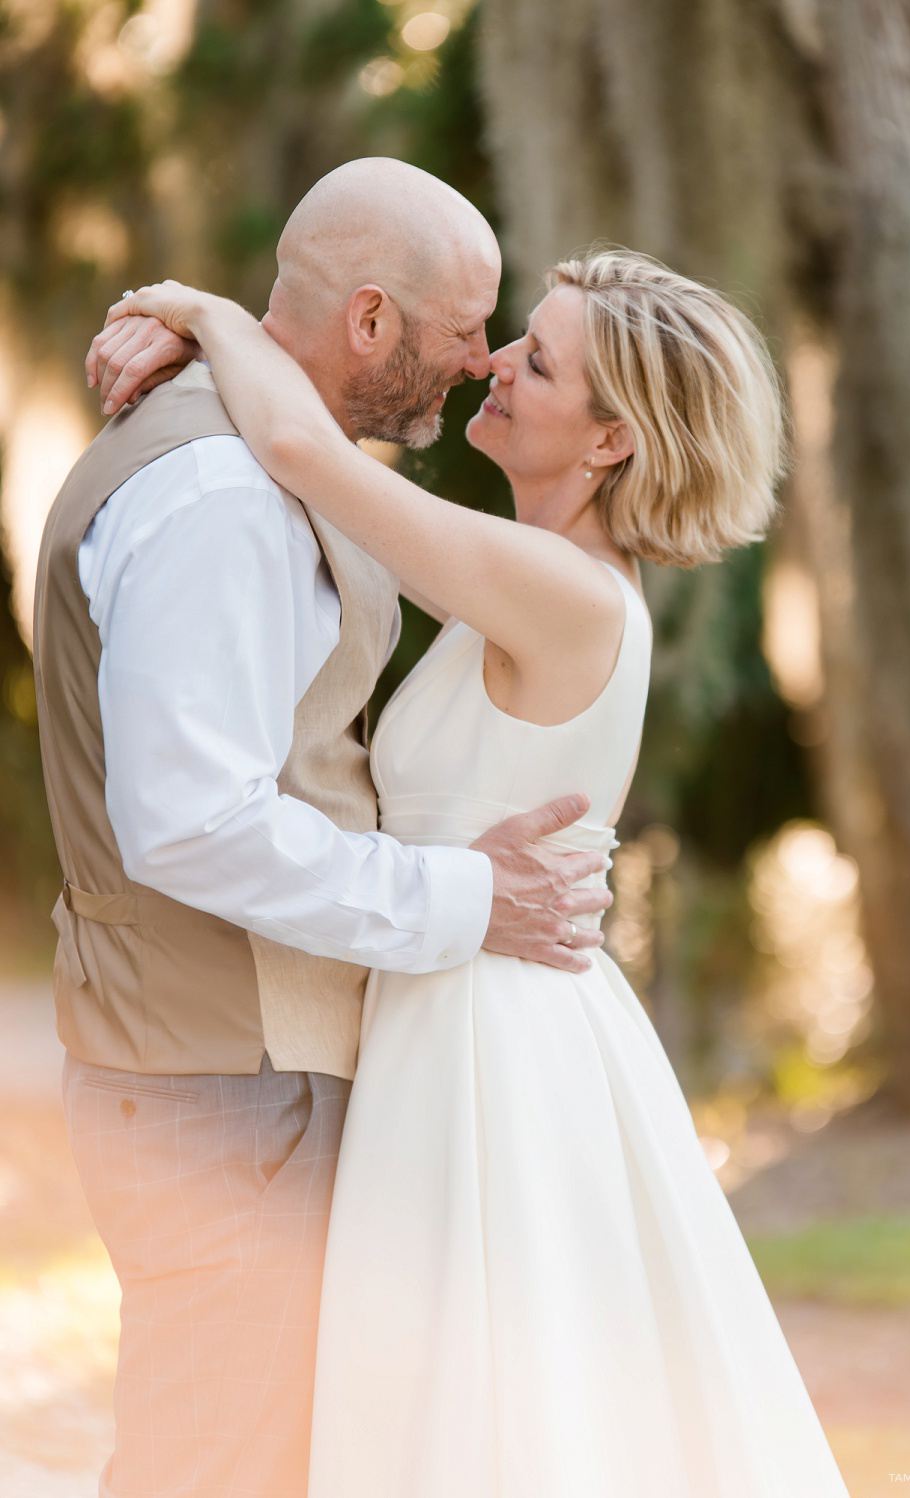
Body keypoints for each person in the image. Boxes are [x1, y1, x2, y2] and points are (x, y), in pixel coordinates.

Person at [94, 248, 853, 1497]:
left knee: (489, 1405)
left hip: (489, 1035)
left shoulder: (564, 590)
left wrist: (197, 310)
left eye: (538, 360)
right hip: (452, 990)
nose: (495, 363)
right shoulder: (518, 579)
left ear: (610, 443)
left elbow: (306, 459)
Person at [37, 158, 614, 1498]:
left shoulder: (235, 450)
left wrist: (195, 312)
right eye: (467, 324)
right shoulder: (225, 496)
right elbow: (189, 823)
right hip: (232, 1091)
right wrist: (463, 899)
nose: (483, 359)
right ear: (369, 321)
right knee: (215, 1468)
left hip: (233, 1079)